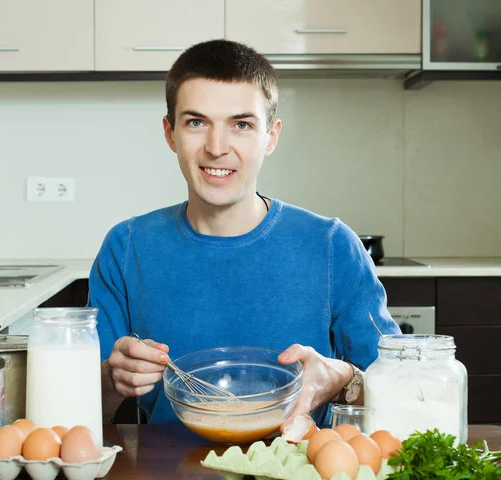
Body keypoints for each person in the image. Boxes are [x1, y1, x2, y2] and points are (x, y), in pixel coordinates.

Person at [88, 39, 400, 430]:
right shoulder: (126, 248)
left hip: (300, 478)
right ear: (170, 133)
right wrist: (112, 379)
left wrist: (343, 380)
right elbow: (83, 410)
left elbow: (401, 393)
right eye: (196, 122)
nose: (217, 148)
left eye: (241, 124)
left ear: (271, 136)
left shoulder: (331, 245)